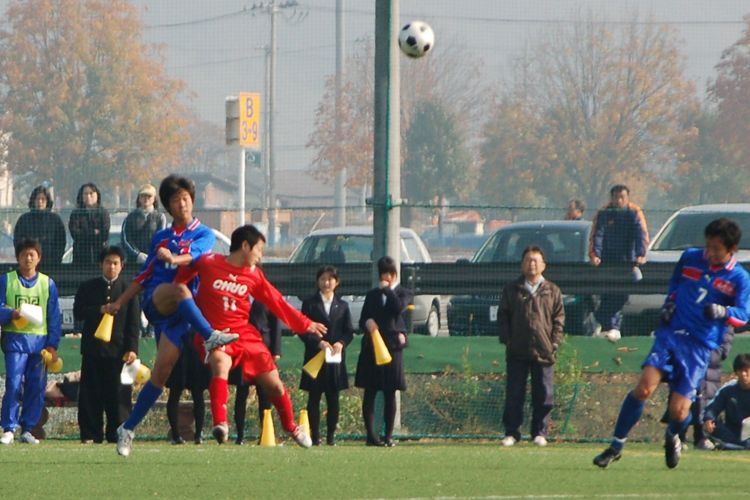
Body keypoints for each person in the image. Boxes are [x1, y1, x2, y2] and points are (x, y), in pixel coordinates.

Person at [593, 218, 750, 469]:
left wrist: (723, 311)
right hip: (672, 335)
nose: (709, 253)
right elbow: (676, 284)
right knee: (644, 388)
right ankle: (615, 446)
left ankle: (673, 435)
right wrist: (669, 303)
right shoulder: (690, 258)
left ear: (731, 250)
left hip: (699, 346)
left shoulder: (739, 278)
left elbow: (744, 314)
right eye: (708, 246)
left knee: (679, 412)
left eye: (716, 249)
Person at [102, 174, 239, 457]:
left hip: (183, 312)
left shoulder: (204, 234)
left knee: (162, 372)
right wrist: (120, 302)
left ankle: (127, 428)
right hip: (159, 300)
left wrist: (174, 258)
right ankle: (211, 336)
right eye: (176, 200)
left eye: (185, 198)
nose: (182, 204)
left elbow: (195, 256)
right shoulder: (161, 237)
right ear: (168, 206)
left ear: (192, 201)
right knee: (179, 289)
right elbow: (145, 275)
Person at [180, 224, 327, 448]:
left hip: (244, 335)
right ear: (245, 246)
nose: (260, 256)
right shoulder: (208, 263)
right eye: (258, 249)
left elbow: (276, 301)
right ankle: (221, 423)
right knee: (220, 362)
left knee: (275, 385)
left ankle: (291, 426)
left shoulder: (254, 274)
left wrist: (305, 323)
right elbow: (182, 275)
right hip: (215, 334)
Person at [498, 246, 565, 447]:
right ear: (522, 264)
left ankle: (540, 432)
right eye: (528, 260)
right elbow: (503, 317)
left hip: (544, 350)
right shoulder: (512, 289)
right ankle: (512, 433)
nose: (532, 264)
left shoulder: (552, 290)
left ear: (543, 265)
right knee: (514, 393)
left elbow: (559, 318)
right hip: (517, 349)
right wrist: (508, 340)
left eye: (536, 260)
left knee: (544, 394)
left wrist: (554, 342)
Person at [74, 246, 140, 444]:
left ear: (122, 266)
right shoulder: (87, 287)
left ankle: (118, 433)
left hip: (119, 352)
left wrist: (132, 349)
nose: (111, 267)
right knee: (90, 394)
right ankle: (90, 433)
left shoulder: (129, 290)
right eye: (108, 262)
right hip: (93, 350)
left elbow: (133, 323)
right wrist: (100, 309)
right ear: (100, 265)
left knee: (119, 395)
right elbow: (78, 313)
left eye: (115, 263)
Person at [0, 239, 62, 445]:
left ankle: (27, 429)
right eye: (24, 255)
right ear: (17, 257)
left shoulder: (47, 284)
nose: (28, 258)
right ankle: (9, 428)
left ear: (39, 258)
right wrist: (11, 314)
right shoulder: (6, 280)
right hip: (15, 342)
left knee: (36, 386)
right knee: (13, 383)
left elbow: (54, 316)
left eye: (32, 255)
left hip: (40, 345)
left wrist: (52, 344)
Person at [355, 256, 413, 447]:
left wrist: (388, 290)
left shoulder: (404, 293)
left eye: (389, 273)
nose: (385, 277)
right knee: (370, 392)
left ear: (395, 274)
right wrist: (367, 322)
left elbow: (397, 308)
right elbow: (362, 319)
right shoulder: (372, 295)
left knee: (390, 392)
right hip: (372, 347)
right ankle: (371, 436)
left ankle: (388, 436)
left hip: (393, 349)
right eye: (382, 274)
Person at [300, 265, 355, 446]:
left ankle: (331, 436)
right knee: (314, 397)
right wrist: (319, 343)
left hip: (334, 359)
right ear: (318, 281)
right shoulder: (309, 304)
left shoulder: (343, 306)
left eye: (330, 279)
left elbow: (349, 332)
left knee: (333, 398)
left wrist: (341, 343)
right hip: (315, 357)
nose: (326, 283)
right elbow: (302, 330)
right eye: (323, 279)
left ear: (336, 282)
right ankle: (315, 437)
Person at [588, 184, 649, 342]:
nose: (619, 200)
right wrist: (595, 255)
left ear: (627, 198)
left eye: (622, 197)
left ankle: (602, 321)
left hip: (628, 262)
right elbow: (597, 234)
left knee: (622, 294)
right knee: (608, 294)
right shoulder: (604, 212)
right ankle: (610, 328)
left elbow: (641, 234)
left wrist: (641, 254)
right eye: (616, 197)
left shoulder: (634, 212)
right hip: (607, 262)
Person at [660, 327, 734, 450]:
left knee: (704, 405)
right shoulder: (691, 319)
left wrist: (699, 353)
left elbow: (722, 351)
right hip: (685, 371)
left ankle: (701, 437)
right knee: (681, 404)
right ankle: (677, 437)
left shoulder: (724, 325)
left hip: (709, 376)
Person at [230, 300, 281, 445]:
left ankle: (265, 433)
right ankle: (240, 436)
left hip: (262, 350)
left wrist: (276, 351)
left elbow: (276, 324)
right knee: (241, 393)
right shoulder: (237, 295)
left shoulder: (265, 297)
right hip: (241, 349)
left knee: (264, 395)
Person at [165, 334, 210, 445]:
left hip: (194, 347)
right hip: (179, 346)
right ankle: (176, 435)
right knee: (175, 393)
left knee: (197, 393)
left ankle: (198, 435)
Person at [702, 353, 750, 450]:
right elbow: (713, 408)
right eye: (740, 371)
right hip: (732, 431)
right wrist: (709, 419)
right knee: (714, 426)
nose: (743, 374)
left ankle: (732, 445)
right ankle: (738, 445)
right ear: (736, 372)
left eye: (746, 371)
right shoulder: (728, 390)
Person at [13, 185, 67, 266]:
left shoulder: (55, 220)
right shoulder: (24, 219)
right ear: (33, 201)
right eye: (37, 199)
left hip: (50, 263)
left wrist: (56, 259)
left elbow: (61, 241)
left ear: (47, 201)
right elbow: (18, 240)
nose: (40, 202)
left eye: (43, 199)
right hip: (29, 263)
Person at [122, 183, 167, 264]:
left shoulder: (160, 217)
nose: (146, 199)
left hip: (154, 261)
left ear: (154, 199)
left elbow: (162, 239)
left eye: (149, 196)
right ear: (139, 198)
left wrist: (152, 255)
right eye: (143, 196)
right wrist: (138, 255)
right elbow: (125, 239)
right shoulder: (130, 217)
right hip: (133, 262)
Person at [69, 182, 111, 266]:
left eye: (91, 193)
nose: (88, 196)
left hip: (99, 255)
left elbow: (104, 234)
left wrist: (85, 233)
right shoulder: (76, 213)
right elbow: (75, 234)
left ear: (97, 195)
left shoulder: (103, 213)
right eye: (85, 194)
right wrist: (93, 232)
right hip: (81, 256)